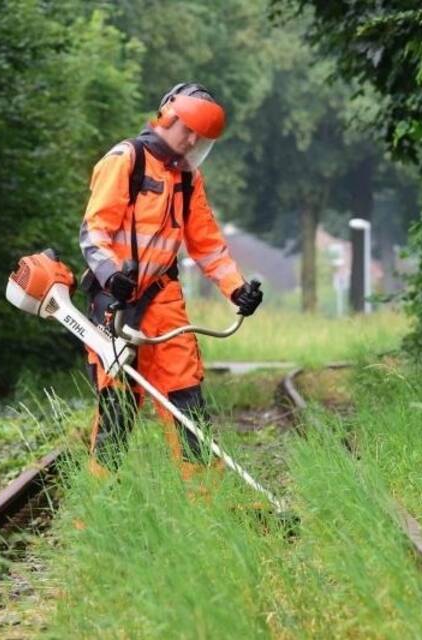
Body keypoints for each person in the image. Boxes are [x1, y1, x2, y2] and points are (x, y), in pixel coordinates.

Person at [78, 82, 262, 479]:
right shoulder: (126, 160)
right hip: (115, 302)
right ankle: (100, 503)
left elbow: (208, 247)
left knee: (187, 400)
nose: (193, 141)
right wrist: (112, 276)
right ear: (167, 117)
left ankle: (205, 501)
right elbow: (94, 233)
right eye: (189, 130)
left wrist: (237, 289)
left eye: (201, 136)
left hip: (163, 299)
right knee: (118, 407)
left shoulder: (188, 180)